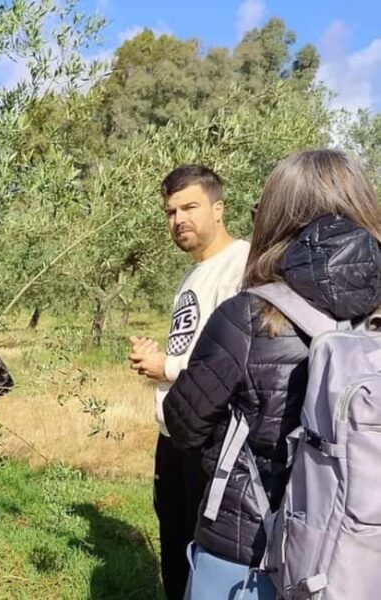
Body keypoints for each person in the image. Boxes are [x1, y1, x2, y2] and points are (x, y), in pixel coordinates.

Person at [163, 149, 381, 599]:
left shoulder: (247, 316)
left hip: (247, 552)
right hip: (357, 553)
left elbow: (183, 425)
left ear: (278, 217)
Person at [128, 165, 250, 600]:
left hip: (210, 440)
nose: (179, 219)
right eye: (171, 211)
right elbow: (193, 350)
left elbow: (239, 362)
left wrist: (168, 368)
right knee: (175, 550)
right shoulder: (193, 275)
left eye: (190, 207)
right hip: (174, 436)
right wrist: (157, 362)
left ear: (219, 209)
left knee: (204, 559)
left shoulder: (241, 266)